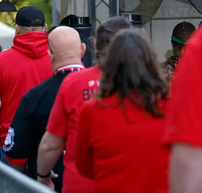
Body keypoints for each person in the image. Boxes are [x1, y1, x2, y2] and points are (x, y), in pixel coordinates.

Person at [37, 16, 132, 193]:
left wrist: (42, 174)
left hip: (84, 184)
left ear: (94, 47)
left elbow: (51, 144)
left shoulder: (74, 83)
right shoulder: (154, 87)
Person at [76, 29, 169, 193]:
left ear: (110, 65)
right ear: (150, 63)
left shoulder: (92, 111)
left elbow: (84, 168)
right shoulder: (171, 106)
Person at [4, 26, 86, 192]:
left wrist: (39, 174)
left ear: (50, 55)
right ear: (83, 50)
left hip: (47, 184)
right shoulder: (103, 89)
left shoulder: (34, 96)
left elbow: (15, 157)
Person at [0, 5, 52, 154]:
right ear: (45, 28)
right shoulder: (59, 58)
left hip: (12, 142)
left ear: (17, 29)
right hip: (51, 143)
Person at [166, 21, 202, 193]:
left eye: (186, 46)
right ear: (173, 45)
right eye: (179, 46)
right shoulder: (159, 73)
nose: (182, 51)